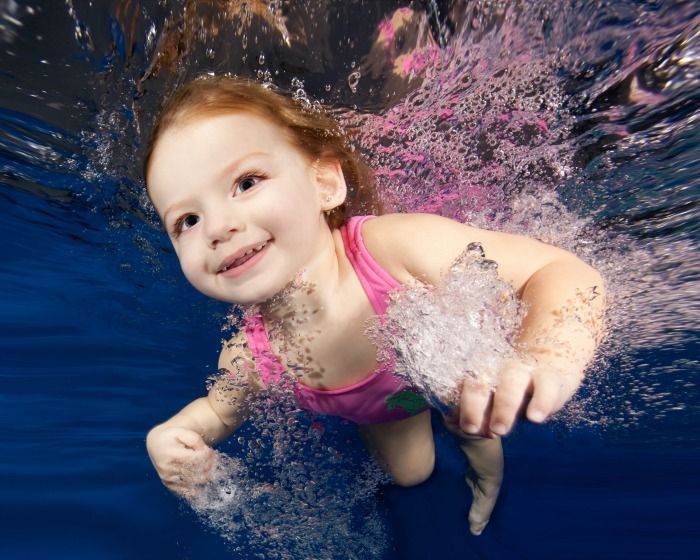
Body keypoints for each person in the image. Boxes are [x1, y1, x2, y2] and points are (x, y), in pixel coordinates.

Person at [144, 75, 605, 536]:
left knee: (474, 415)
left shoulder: (396, 248)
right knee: (412, 474)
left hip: (454, 377)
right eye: (187, 220)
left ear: (324, 183)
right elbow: (220, 411)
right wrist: (172, 436)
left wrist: (548, 353)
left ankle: (487, 479)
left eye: (246, 182)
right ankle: (432, 421)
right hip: (385, 407)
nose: (217, 228)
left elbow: (558, 272)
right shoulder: (248, 354)